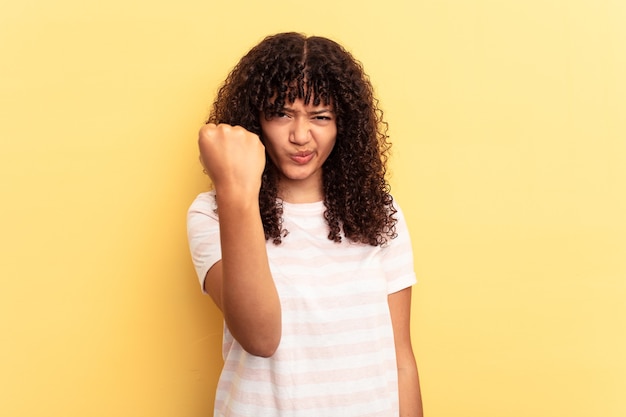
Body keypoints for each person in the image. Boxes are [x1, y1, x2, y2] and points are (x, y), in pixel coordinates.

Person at [187, 32, 423, 417]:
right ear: (255, 119)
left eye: (320, 117)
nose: (300, 136)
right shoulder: (214, 212)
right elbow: (260, 337)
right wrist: (235, 187)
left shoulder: (378, 210)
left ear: (342, 125)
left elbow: (401, 361)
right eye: (281, 113)